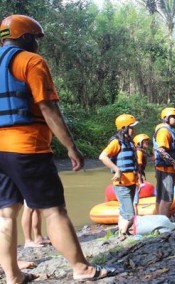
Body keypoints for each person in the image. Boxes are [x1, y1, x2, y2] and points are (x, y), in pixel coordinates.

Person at [0, 15, 115, 283]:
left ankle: (13, 275)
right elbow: (47, 107)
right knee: (54, 210)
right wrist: (71, 147)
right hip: (26, 148)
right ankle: (82, 269)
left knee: (6, 214)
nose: (38, 45)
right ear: (26, 37)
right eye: (35, 39)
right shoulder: (31, 61)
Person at [99, 114, 139, 239]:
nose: (134, 130)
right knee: (130, 214)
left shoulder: (130, 142)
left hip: (131, 182)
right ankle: (123, 233)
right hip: (121, 184)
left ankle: (122, 234)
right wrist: (116, 170)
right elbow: (102, 156)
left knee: (124, 211)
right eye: (131, 127)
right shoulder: (116, 142)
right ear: (124, 128)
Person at [153, 107, 175, 217]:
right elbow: (161, 150)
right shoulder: (164, 131)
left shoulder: (168, 130)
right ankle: (163, 223)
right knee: (167, 198)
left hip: (166, 169)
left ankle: (160, 221)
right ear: (166, 118)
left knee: (162, 197)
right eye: (173, 117)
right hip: (165, 169)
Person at [133, 133, 150, 215]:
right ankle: (135, 218)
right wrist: (139, 180)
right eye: (145, 142)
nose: (147, 143)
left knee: (135, 199)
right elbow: (138, 166)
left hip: (137, 176)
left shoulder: (141, 151)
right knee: (134, 200)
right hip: (135, 178)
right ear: (139, 143)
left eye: (147, 142)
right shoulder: (139, 152)